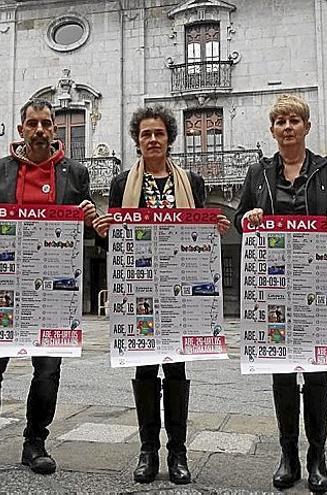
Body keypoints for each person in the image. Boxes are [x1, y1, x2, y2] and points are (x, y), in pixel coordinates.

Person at [0, 98, 97, 482]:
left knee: (47, 371)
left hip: (53, 290)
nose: (41, 130)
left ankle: (36, 442)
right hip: (3, 286)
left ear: (55, 130)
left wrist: (91, 216)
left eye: (48, 124)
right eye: (33, 124)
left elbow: (84, 218)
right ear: (21, 130)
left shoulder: (74, 173)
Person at [92, 105, 231, 485]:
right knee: (144, 368)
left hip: (181, 290)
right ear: (137, 141)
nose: (152, 139)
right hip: (139, 288)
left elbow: (199, 235)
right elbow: (118, 241)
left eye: (159, 133)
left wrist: (213, 227)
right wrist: (107, 233)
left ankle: (179, 452)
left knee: (176, 368)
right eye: (145, 134)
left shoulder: (193, 183)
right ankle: (148, 450)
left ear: (170, 138)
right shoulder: (123, 184)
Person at [233, 94, 327, 493]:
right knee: (283, 376)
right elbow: (240, 218)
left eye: (294, 121)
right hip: (274, 288)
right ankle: (289, 456)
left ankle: (318, 457)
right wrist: (247, 216)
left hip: (317, 287)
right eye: (280, 121)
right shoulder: (258, 173)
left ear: (306, 127)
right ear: (272, 130)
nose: (287, 127)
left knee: (317, 375)